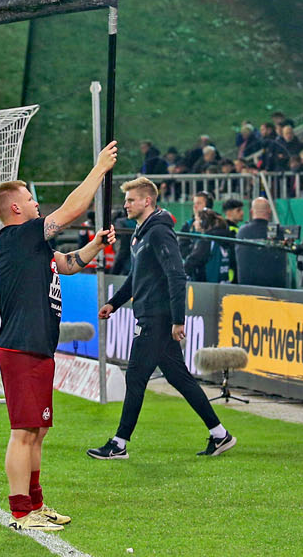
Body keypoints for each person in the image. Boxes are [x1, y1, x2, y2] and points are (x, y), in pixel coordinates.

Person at [0, 142, 117, 532]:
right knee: (23, 431)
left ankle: (36, 504)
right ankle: (20, 512)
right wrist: (99, 169)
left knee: (38, 430)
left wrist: (95, 244)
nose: (35, 203)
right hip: (22, 346)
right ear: (15, 208)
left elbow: (69, 264)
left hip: (38, 347)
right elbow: (72, 210)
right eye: (29, 198)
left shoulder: (35, 246)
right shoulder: (18, 236)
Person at [89, 176, 235, 462]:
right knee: (179, 378)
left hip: (157, 317)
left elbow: (176, 274)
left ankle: (119, 443)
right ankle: (220, 434)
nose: (126, 205)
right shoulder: (141, 233)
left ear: (147, 201)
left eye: (130, 200)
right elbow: (136, 277)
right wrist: (114, 303)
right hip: (152, 314)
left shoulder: (158, 232)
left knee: (135, 376)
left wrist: (177, 319)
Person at [234, 197, 287, 288]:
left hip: (247, 290)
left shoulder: (242, 231)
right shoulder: (279, 232)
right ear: (269, 211)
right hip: (275, 291)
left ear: (251, 211)